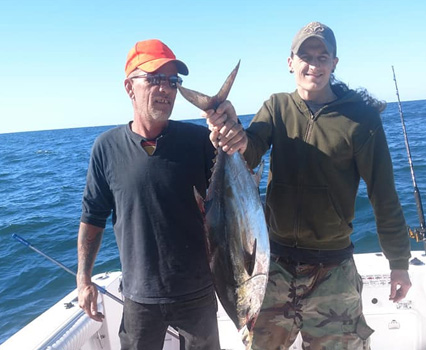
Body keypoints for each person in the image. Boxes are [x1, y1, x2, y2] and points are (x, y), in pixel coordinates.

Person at [203, 22, 412, 350]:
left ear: (334, 63)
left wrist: (398, 262)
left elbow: (384, 196)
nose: (313, 64)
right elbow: (251, 148)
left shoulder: (362, 120)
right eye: (305, 56)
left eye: (322, 56)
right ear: (290, 62)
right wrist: (229, 130)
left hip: (334, 269)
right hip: (273, 265)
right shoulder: (277, 107)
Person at [76, 39, 221, 350]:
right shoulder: (106, 147)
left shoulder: (200, 141)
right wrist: (84, 279)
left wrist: (230, 125)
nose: (166, 89)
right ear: (130, 87)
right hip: (139, 296)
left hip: (197, 291)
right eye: (154, 79)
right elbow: (93, 217)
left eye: (172, 81)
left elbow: (241, 178)